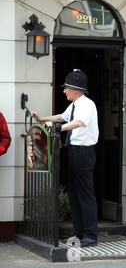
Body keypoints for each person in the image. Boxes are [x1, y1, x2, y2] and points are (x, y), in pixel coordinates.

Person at [32, 70, 99, 247]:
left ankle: (90, 235)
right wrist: (42, 119)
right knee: (75, 195)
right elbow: (62, 117)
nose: (64, 91)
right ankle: (79, 233)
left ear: (75, 89)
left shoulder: (88, 105)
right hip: (73, 151)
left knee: (85, 194)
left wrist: (57, 128)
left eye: (67, 88)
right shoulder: (75, 104)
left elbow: (77, 123)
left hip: (84, 153)